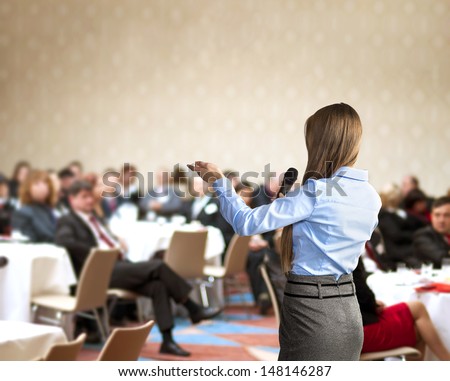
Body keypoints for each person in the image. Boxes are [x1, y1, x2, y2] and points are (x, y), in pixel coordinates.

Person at [189, 103, 382, 361]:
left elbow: (245, 222)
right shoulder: (371, 196)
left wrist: (219, 182)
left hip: (312, 309)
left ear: (319, 143)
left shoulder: (315, 193)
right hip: (349, 307)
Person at [55, 180, 221, 357]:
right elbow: (64, 242)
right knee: (158, 266)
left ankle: (167, 340)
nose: (89, 200)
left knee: (158, 285)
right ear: (72, 200)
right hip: (99, 271)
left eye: (90, 196)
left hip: (118, 266)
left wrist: (115, 241)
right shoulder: (68, 220)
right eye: (83, 197)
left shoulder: (95, 219)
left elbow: (106, 238)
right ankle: (193, 308)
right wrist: (98, 252)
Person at [354, 258, 450, 360]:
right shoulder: (349, 255)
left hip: (345, 332)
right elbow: (362, 293)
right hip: (359, 333)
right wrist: (373, 304)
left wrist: (372, 303)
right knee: (418, 312)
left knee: (419, 327)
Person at [377, 183, 421, 268]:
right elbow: (396, 235)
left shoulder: (401, 211)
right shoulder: (383, 215)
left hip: (409, 245)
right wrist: (416, 235)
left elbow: (419, 223)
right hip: (397, 249)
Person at [11, 170, 58, 242]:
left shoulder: (50, 211)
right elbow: (28, 241)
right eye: (37, 184)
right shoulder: (23, 213)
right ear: (28, 188)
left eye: (45, 183)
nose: (42, 187)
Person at [413, 196, 450, 268]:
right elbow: (442, 259)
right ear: (431, 216)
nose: (441, 220)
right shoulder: (422, 235)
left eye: (446, 215)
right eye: (437, 215)